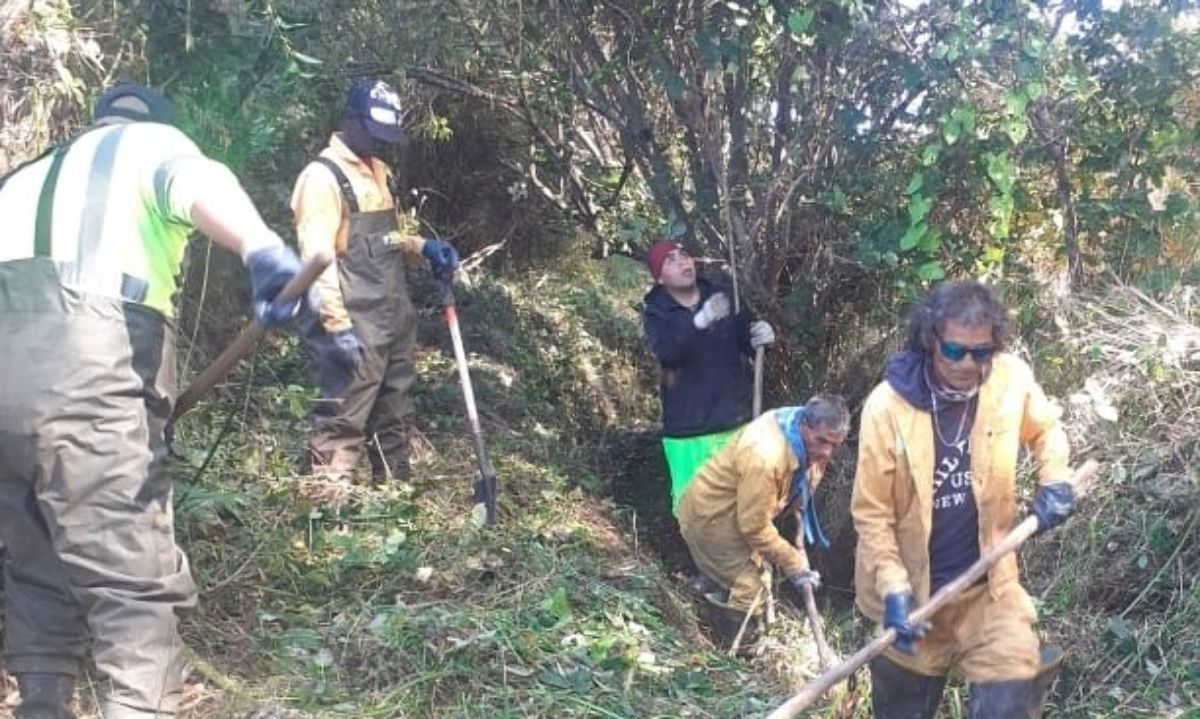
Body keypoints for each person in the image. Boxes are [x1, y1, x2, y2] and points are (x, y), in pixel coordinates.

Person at [0, 83, 312, 718]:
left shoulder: (21, 176)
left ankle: (40, 705)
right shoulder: (148, 145)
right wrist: (261, 247)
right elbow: (199, 179)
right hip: (86, 364)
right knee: (130, 580)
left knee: (33, 553)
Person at [851, 280, 1078, 718]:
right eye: (955, 351)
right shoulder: (887, 407)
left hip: (987, 590)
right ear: (930, 340)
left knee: (1009, 696)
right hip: (913, 601)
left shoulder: (1009, 379)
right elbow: (872, 514)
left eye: (981, 352)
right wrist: (893, 588)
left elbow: (1046, 429)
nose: (968, 364)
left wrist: (1056, 479)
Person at [291, 78, 460, 483]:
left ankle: (394, 508)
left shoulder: (379, 170)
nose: (380, 142)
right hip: (352, 320)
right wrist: (337, 329)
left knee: (395, 414)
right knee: (342, 421)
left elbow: (384, 239)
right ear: (351, 120)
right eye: (373, 132)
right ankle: (328, 521)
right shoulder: (321, 178)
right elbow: (317, 262)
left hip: (394, 316)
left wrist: (422, 247)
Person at [676, 394, 849, 646]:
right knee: (753, 589)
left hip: (736, 511)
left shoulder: (800, 436)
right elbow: (754, 527)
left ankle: (710, 585)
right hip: (710, 517)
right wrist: (794, 563)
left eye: (835, 444)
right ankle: (729, 649)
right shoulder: (765, 456)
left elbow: (797, 491)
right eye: (822, 440)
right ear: (804, 425)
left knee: (761, 572)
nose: (826, 452)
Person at [641, 240, 776, 515]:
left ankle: (744, 559)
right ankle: (698, 559)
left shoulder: (722, 296)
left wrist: (761, 336)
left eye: (684, 255)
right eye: (671, 260)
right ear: (659, 277)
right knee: (695, 513)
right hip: (688, 432)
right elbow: (668, 351)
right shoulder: (655, 310)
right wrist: (700, 322)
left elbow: (746, 342)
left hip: (733, 424)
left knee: (742, 508)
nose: (682, 262)